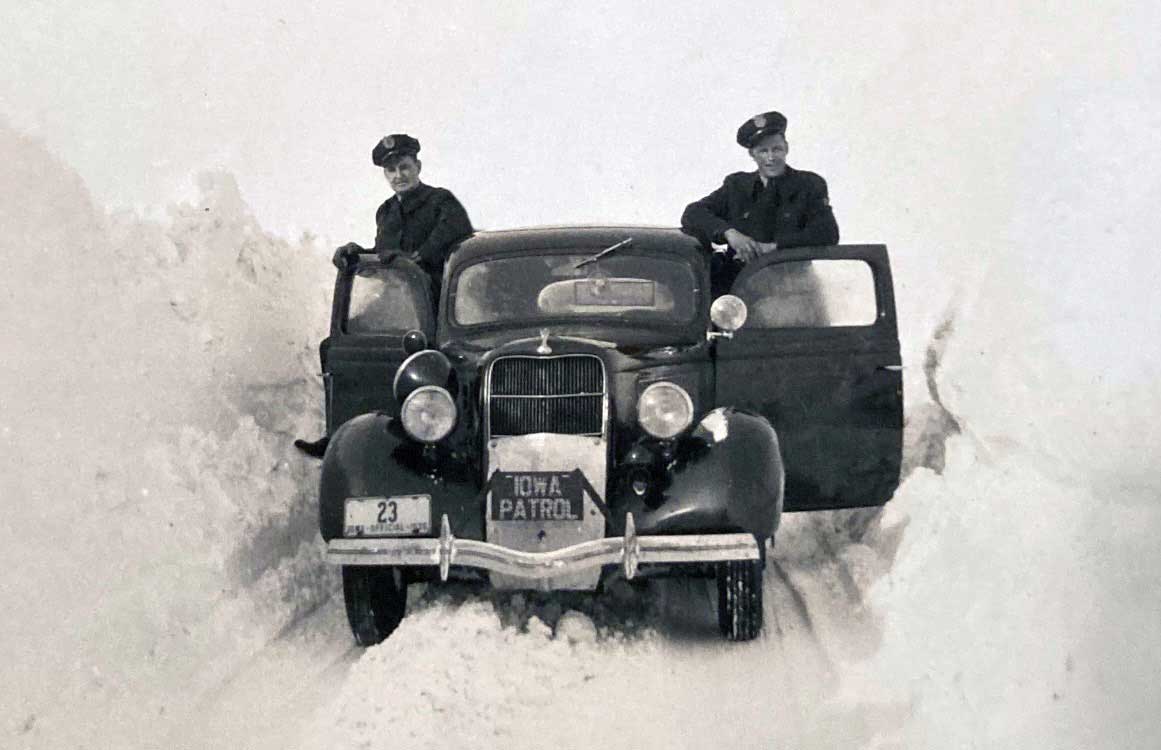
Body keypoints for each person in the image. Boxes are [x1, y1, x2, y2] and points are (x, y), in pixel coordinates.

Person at [295, 134, 473, 458]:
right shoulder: (386, 212)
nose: (398, 176)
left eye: (404, 167)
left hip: (437, 305)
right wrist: (355, 253)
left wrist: (414, 258)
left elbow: (455, 240)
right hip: (400, 304)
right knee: (339, 345)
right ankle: (339, 433)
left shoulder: (441, 203)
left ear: (417, 166)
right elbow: (382, 255)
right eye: (391, 171)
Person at [681, 111, 838, 296]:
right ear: (752, 154)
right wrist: (730, 234)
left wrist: (773, 248)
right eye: (763, 151)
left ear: (786, 148)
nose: (771, 157)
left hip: (794, 290)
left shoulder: (809, 185)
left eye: (776, 149)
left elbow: (827, 232)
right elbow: (693, 213)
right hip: (742, 290)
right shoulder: (737, 186)